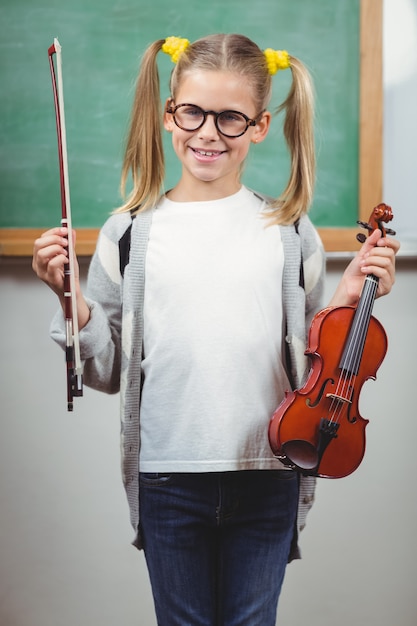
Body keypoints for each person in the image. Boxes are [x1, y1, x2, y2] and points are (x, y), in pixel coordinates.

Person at [32, 34, 399, 626]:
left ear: (258, 126)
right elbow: (103, 370)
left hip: (270, 472)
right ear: (168, 113)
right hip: (168, 476)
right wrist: (69, 298)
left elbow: (313, 363)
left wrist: (348, 296)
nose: (207, 132)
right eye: (193, 112)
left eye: (230, 118)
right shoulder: (126, 234)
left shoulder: (290, 232)